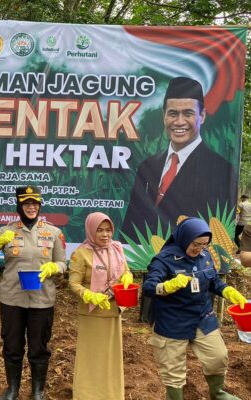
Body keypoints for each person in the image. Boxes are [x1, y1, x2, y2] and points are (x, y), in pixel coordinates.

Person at [0, 186, 67, 400]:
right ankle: (12, 389)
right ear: (19, 206)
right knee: (12, 345)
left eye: (35, 203)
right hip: (12, 299)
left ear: (39, 206)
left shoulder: (53, 232)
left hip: (42, 299)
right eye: (27, 203)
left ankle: (37, 391)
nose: (31, 207)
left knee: (39, 347)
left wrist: (56, 268)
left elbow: (63, 263)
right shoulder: (7, 231)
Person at [143, 217, 247, 400]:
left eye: (204, 245)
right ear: (184, 238)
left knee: (218, 357)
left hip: (202, 317)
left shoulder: (205, 256)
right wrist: (167, 286)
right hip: (172, 321)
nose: (199, 249)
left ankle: (217, 393)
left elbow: (213, 281)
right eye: (196, 244)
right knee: (173, 370)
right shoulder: (164, 259)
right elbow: (149, 287)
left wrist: (229, 291)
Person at [122, 77, 236, 238]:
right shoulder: (147, 166)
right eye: (173, 114)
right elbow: (130, 227)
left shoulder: (220, 170)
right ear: (164, 116)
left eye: (188, 114)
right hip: (143, 259)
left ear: (202, 116)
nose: (179, 122)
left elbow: (217, 229)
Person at [68, 212, 134, 400]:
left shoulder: (117, 248)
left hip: (113, 312)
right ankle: (86, 395)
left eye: (108, 230)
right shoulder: (81, 253)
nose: (105, 235)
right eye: (100, 231)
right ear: (90, 231)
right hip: (92, 314)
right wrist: (89, 295)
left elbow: (126, 271)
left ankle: (111, 395)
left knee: (110, 358)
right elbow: (73, 283)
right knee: (91, 357)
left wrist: (127, 277)